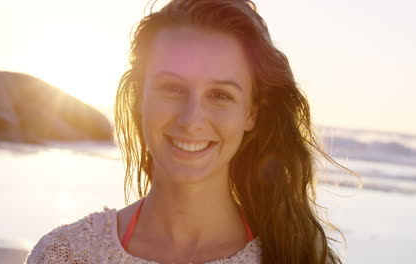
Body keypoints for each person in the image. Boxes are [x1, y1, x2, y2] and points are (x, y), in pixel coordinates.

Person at [26, 0, 346, 263]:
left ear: (251, 113)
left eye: (220, 95)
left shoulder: (299, 259)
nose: (191, 119)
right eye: (173, 88)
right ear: (140, 98)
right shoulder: (64, 255)